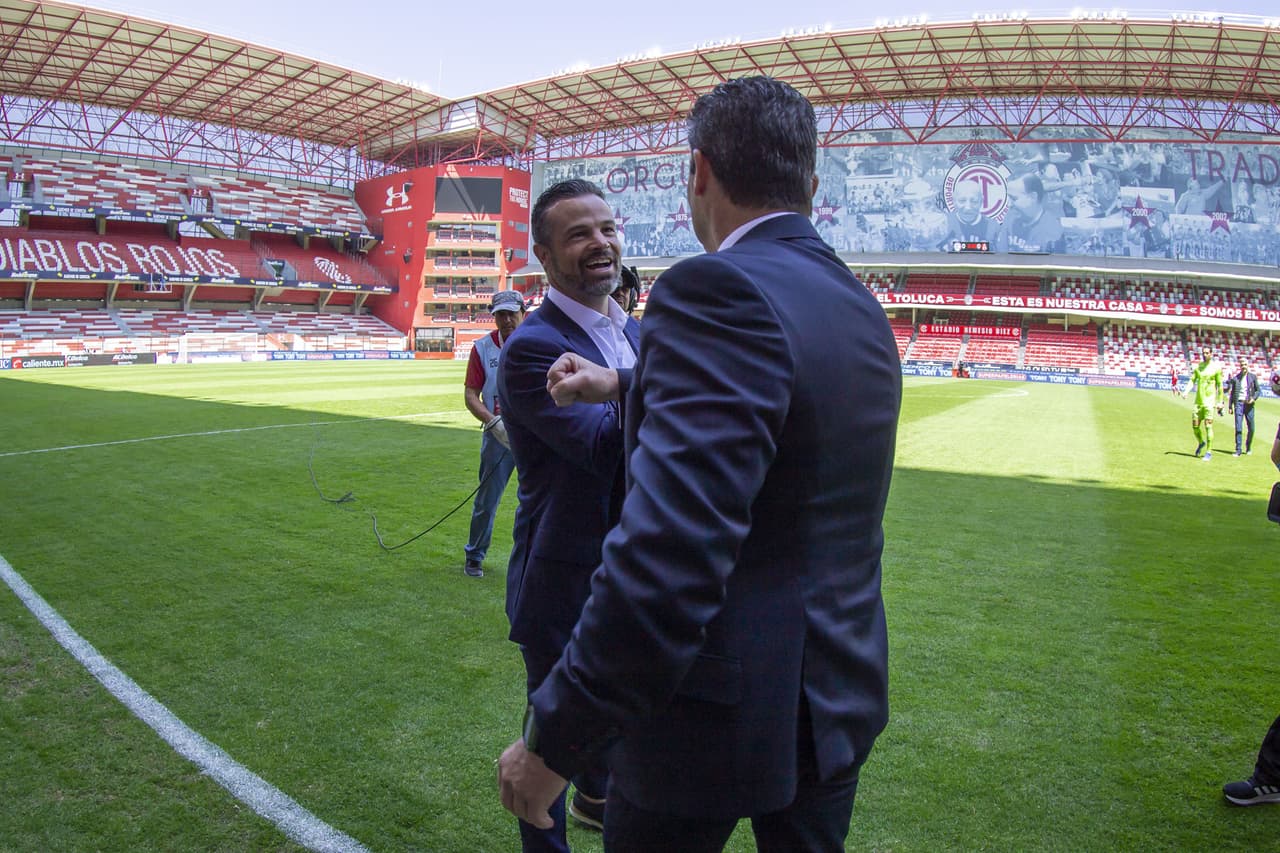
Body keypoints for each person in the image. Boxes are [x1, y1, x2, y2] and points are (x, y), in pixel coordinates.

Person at [497, 76, 902, 851]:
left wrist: (557, 737)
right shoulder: (855, 299)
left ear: (700, 172)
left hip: (714, 706)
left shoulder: (712, 287)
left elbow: (672, 551)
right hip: (837, 689)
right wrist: (626, 380)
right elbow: (782, 413)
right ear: (810, 183)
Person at [496, 179, 640, 849]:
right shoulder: (532, 347)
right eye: (579, 234)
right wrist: (675, 392)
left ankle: (599, 795)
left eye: (606, 228)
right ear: (545, 256)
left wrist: (635, 380)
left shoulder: (632, 334)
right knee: (546, 760)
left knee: (623, 758)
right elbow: (606, 450)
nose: (599, 243)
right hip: (566, 583)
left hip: (634, 577)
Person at [460, 290, 525, 578]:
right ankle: (474, 555)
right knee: (487, 499)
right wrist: (491, 421)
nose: (507, 319)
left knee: (536, 499)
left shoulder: (540, 343)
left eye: (512, 313)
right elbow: (471, 394)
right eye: (501, 314)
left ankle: (530, 557)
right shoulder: (482, 348)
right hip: (497, 435)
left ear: (523, 312)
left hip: (533, 435)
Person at [1003, 173, 1064, 253]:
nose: (1009, 204)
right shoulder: (1010, 218)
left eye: (1014, 199)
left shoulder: (1052, 231)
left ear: (1033, 197)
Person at [1182, 345, 1223, 461]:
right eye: (1203, 353)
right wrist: (1186, 391)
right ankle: (1201, 442)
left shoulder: (1216, 368)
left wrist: (1220, 401)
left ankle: (1209, 452)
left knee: (1208, 427)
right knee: (1195, 427)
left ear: (1211, 354)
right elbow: (1192, 380)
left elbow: (1220, 386)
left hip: (1209, 403)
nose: (1204, 355)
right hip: (1198, 402)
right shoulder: (1198, 367)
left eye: (1206, 353)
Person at [1225, 356, 1259, 456]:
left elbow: (1258, 390)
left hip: (1249, 405)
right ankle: (1238, 450)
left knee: (1251, 428)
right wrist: (1230, 406)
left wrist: (1253, 398)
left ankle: (1248, 447)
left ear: (1248, 365)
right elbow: (1232, 394)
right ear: (1240, 366)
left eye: (1245, 364)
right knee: (1238, 427)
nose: (1244, 366)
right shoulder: (1236, 378)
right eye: (1242, 365)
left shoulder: (1253, 377)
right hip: (1239, 404)